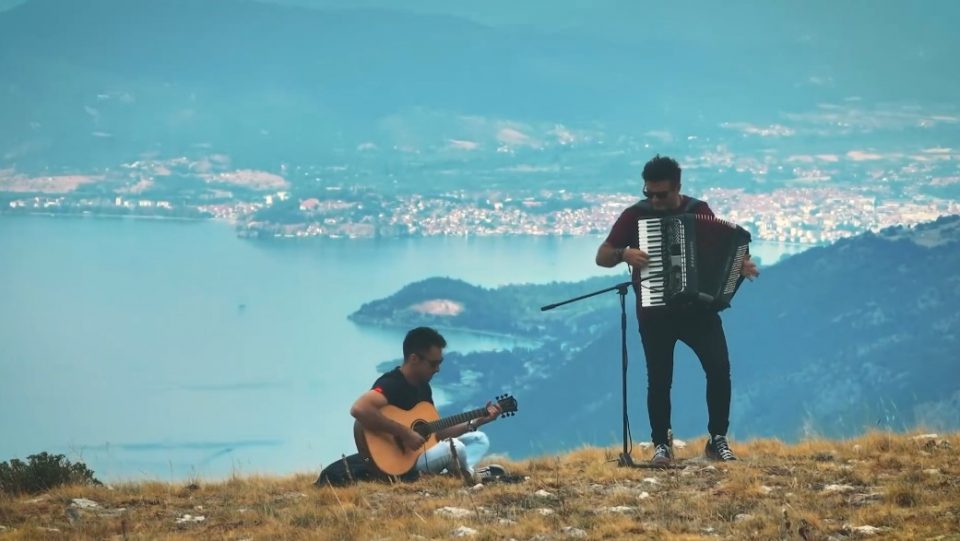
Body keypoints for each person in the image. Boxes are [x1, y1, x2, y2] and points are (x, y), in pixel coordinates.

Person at [595, 154, 759, 466]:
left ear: (677, 188)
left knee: (718, 369)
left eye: (662, 194)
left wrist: (741, 266)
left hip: (698, 311)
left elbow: (722, 254)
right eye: (649, 194)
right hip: (655, 312)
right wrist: (623, 253)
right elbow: (602, 256)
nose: (654, 200)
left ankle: (717, 439)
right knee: (658, 379)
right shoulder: (634, 216)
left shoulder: (698, 211)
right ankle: (661, 444)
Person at [350, 326, 504, 480]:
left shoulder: (423, 387)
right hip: (403, 463)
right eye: (433, 364)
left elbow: (436, 434)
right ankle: (470, 475)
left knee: (479, 439)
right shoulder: (391, 384)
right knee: (455, 447)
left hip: (425, 454)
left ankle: (456, 473)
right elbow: (359, 409)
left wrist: (474, 422)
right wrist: (405, 432)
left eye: (439, 363)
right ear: (414, 359)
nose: (437, 369)